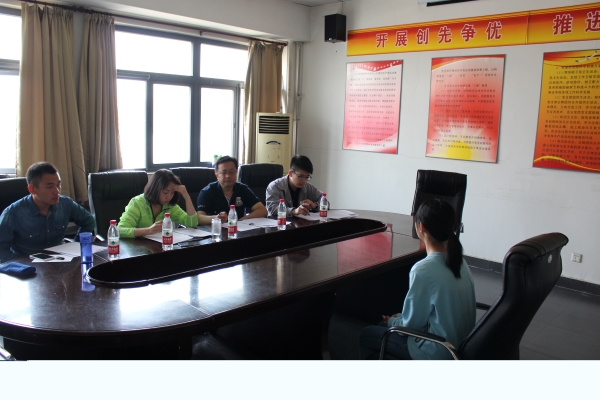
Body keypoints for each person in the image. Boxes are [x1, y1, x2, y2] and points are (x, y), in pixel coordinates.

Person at [359, 199, 476, 360]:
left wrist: (393, 322)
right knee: (382, 326)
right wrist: (398, 318)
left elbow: (411, 326)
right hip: (460, 346)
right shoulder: (460, 261)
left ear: (421, 227)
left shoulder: (423, 270)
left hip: (436, 351)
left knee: (366, 334)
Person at [0, 162, 95, 263]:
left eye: (58, 184)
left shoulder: (66, 204)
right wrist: (22, 266)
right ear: (32, 189)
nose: (56, 191)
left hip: (61, 262)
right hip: (29, 267)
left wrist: (75, 245)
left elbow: (88, 221)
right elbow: (1, 250)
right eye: (50, 186)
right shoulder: (13, 213)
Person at [118, 169, 198, 238]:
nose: (169, 197)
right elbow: (120, 230)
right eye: (165, 192)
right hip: (138, 248)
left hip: (160, 246)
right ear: (155, 189)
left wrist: (186, 196)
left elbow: (192, 224)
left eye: (172, 193)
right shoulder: (137, 203)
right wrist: (148, 230)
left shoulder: (169, 206)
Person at [196, 156, 267, 225]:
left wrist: (242, 220)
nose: (228, 176)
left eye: (232, 172)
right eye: (224, 172)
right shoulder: (207, 192)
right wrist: (216, 218)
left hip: (239, 230)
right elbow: (199, 218)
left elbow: (262, 210)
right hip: (215, 230)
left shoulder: (242, 189)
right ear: (217, 175)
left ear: (236, 173)